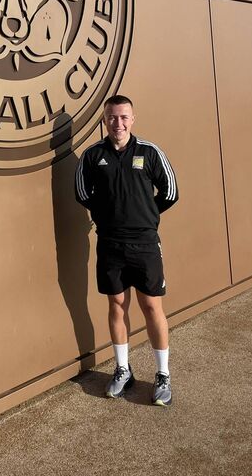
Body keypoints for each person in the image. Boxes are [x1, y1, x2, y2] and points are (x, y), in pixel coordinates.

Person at [75, 95, 179, 406]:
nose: (117, 123)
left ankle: (162, 375)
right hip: (110, 243)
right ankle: (122, 369)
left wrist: (147, 214)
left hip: (144, 243)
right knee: (117, 305)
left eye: (123, 117)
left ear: (132, 119)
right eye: (112, 118)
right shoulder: (92, 157)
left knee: (151, 308)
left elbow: (170, 191)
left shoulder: (149, 152)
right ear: (104, 121)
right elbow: (82, 193)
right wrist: (108, 216)